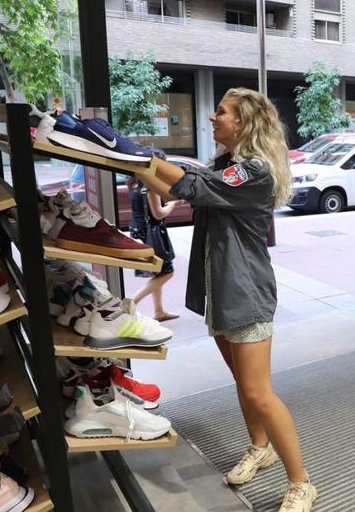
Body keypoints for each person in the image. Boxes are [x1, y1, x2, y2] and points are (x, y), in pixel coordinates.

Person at [138, 88, 315, 512]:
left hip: (246, 293)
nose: (213, 117)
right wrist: (131, 163)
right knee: (245, 385)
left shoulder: (254, 172)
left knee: (258, 393)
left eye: (222, 112)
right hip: (221, 292)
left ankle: (301, 482)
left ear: (244, 122)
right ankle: (260, 447)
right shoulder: (225, 165)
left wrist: (134, 156)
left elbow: (191, 186)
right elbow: (183, 186)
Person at [128, 151, 183, 322]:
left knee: (157, 272)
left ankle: (159, 311)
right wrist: (173, 203)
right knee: (167, 272)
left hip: (138, 230)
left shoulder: (134, 182)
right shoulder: (151, 185)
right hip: (152, 233)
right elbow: (158, 214)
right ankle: (130, 302)